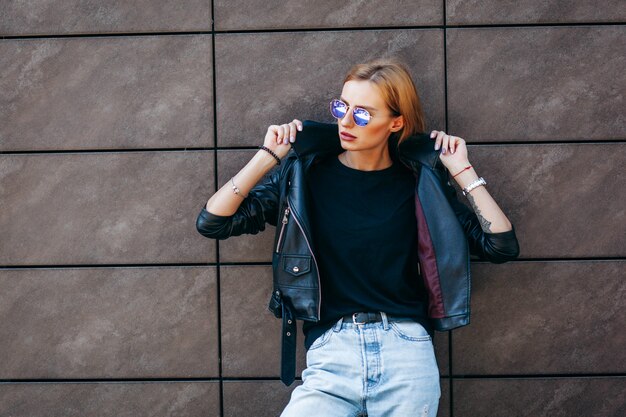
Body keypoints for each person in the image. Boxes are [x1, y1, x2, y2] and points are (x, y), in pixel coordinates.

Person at [196, 58, 519, 417]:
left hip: (406, 353)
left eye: (363, 114)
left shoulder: (420, 183)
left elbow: (500, 245)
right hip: (331, 351)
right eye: (342, 107)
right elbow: (213, 221)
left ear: (395, 122)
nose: (346, 122)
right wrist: (268, 156)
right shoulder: (304, 177)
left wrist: (461, 170)